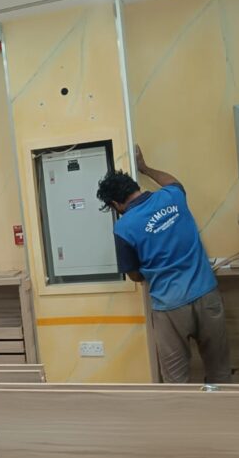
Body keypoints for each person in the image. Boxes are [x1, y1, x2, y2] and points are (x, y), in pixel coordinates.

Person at [96, 146, 231, 383]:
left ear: (116, 204)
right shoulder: (172, 196)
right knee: (219, 369)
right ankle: (221, 418)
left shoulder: (124, 227)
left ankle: (182, 420)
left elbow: (134, 275)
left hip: (170, 307)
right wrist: (145, 168)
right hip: (206, 293)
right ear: (134, 187)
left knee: (176, 380)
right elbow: (172, 180)